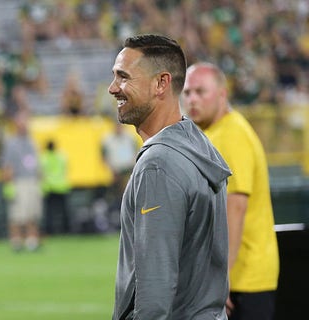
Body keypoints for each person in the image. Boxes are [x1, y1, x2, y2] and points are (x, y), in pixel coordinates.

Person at [108, 34, 231, 319]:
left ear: (161, 83)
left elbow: (155, 291)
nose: (113, 88)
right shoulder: (198, 144)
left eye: (123, 77)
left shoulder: (158, 164)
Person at [182, 62, 279, 320]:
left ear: (222, 95)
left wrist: (221, 278)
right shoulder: (214, 133)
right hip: (236, 277)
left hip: (243, 280)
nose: (192, 99)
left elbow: (235, 207)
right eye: (187, 92)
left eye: (200, 92)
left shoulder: (232, 134)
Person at [0, 111, 42, 252]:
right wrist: (8, 183)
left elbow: (36, 162)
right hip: (18, 181)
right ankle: (16, 240)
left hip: (31, 180)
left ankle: (31, 240)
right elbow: (7, 165)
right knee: (17, 214)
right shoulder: (11, 143)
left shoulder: (31, 141)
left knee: (32, 213)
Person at [40, 140, 71, 234]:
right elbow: (67, 168)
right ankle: (66, 229)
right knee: (63, 211)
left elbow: (41, 172)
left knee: (49, 212)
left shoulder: (44, 157)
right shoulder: (61, 156)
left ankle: (50, 230)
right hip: (61, 186)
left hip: (49, 187)